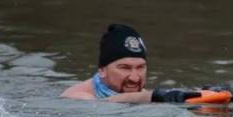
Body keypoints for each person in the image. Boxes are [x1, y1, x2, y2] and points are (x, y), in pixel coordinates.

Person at [60, 23, 203, 103]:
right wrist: (152, 97)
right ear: (102, 70)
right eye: (125, 68)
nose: (134, 78)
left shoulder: (140, 94)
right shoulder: (77, 97)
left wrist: (207, 96)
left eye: (140, 67)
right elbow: (102, 107)